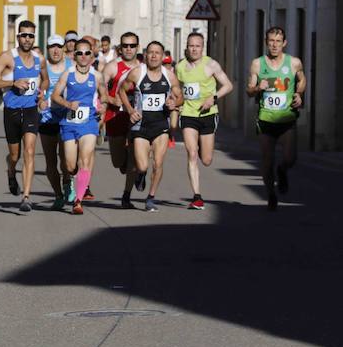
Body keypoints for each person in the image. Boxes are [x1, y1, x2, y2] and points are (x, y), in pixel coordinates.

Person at [0, 21, 48, 212]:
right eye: (24, 35)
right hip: (12, 111)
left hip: (31, 110)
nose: (27, 39)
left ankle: (26, 196)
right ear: (18, 37)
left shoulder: (40, 59)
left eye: (31, 36)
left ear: (34, 37)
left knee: (29, 151)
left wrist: (42, 93)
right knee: (14, 155)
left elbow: (45, 80)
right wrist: (13, 83)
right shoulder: (8, 57)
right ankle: (11, 170)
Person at [245, 26, 306, 211]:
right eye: (271, 41)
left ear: (284, 43)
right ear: (266, 42)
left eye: (278, 41)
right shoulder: (257, 64)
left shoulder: (294, 63)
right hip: (265, 120)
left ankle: (283, 170)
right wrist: (258, 88)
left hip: (287, 119)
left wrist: (298, 93)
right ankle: (271, 194)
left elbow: (302, 80)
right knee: (267, 160)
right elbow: (249, 90)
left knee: (290, 158)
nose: (274, 45)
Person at [119, 41, 183, 212]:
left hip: (161, 124)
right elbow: (122, 90)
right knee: (142, 166)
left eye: (157, 53)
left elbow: (180, 96)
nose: (154, 56)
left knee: (158, 163)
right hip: (141, 125)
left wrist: (173, 103)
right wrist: (130, 110)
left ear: (163, 56)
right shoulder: (137, 73)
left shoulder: (169, 75)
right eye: (151, 52)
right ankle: (141, 175)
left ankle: (151, 197)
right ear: (145, 55)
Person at [175, 32, 234, 209]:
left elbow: (228, 85)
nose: (194, 49)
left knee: (206, 160)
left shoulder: (211, 65)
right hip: (188, 115)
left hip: (208, 115)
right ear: (187, 46)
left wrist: (213, 98)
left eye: (197, 46)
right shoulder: (180, 67)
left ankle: (201, 147)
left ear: (203, 47)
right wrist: (175, 101)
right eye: (191, 45)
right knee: (191, 154)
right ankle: (197, 197)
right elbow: (176, 88)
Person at [51, 38, 107, 215]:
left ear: (92, 56)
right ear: (74, 55)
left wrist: (103, 107)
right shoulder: (67, 74)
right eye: (80, 53)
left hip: (89, 122)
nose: (83, 56)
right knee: (69, 166)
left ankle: (78, 201)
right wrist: (68, 104)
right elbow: (55, 96)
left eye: (87, 53)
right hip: (69, 123)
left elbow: (104, 97)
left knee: (85, 160)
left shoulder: (97, 76)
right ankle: (71, 181)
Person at [101, 31, 141, 209]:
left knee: (135, 156)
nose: (129, 49)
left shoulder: (143, 67)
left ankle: (126, 195)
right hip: (115, 116)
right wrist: (110, 100)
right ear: (120, 47)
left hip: (136, 117)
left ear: (137, 47)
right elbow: (99, 88)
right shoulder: (112, 67)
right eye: (125, 46)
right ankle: (126, 163)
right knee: (118, 162)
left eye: (132, 46)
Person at [38, 34, 73, 210]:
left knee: (67, 160)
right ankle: (58, 195)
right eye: (52, 47)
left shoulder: (71, 66)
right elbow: (37, 90)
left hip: (67, 118)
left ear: (64, 48)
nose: (56, 50)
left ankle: (68, 182)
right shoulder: (42, 67)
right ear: (48, 49)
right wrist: (40, 101)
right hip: (47, 119)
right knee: (50, 161)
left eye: (59, 46)